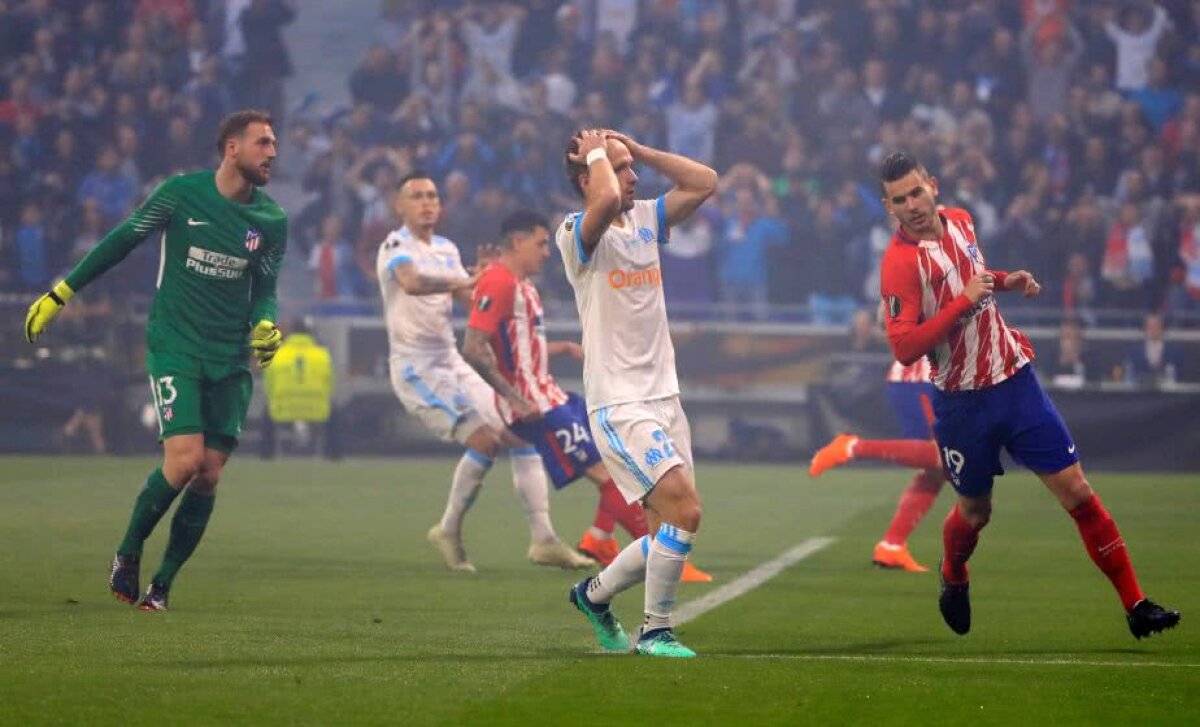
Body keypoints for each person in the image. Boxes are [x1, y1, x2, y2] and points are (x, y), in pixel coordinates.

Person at [877, 151, 1179, 639]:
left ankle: (1136, 604)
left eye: (916, 192)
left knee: (1078, 492)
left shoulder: (962, 221)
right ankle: (954, 574)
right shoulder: (899, 265)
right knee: (976, 514)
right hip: (961, 403)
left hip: (1015, 382)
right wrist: (964, 302)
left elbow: (973, 276)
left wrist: (1004, 281)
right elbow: (905, 346)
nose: (911, 204)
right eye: (899, 199)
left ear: (933, 186)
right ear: (889, 208)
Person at [24, 110, 289, 611]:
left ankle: (161, 587)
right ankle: (127, 551)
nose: (273, 152)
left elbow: (266, 290)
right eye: (263, 143)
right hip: (177, 347)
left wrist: (265, 325)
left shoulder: (272, 221)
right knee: (185, 460)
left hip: (230, 359)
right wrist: (61, 293)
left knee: (209, 472)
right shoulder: (180, 194)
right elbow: (122, 240)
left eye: (274, 143)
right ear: (232, 148)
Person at [461, 209, 712, 582]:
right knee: (612, 476)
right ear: (516, 243)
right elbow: (473, 346)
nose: (547, 252)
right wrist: (513, 398)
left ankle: (600, 539)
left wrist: (560, 348)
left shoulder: (519, 283)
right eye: (540, 243)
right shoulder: (500, 281)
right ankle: (660, 552)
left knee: (616, 466)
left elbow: (518, 344)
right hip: (537, 405)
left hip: (551, 395)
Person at [375, 171, 592, 573]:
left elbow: (468, 298)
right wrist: (471, 277)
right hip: (416, 367)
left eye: (433, 196)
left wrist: (489, 281)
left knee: (519, 427)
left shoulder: (445, 248)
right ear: (399, 206)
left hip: (453, 361)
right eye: (417, 196)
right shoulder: (395, 247)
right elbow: (412, 283)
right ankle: (449, 530)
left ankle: (543, 539)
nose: (427, 203)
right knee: (484, 440)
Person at [559, 129, 717, 658]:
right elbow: (604, 197)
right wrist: (599, 152)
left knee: (663, 530)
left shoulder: (647, 218)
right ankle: (656, 630)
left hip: (663, 396)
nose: (632, 178)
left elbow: (705, 181)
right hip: (618, 402)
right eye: (622, 168)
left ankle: (592, 596)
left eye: (634, 169)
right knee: (686, 511)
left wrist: (639, 150)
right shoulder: (577, 233)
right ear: (587, 177)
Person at [810, 345, 946, 573]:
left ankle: (891, 547)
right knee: (946, 459)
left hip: (926, 379)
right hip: (921, 379)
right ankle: (853, 447)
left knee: (938, 469)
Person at [261, 319, 337, 459]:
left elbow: (268, 385)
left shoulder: (278, 354)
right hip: (316, 411)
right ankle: (333, 454)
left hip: (283, 411)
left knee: (267, 412)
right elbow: (330, 385)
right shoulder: (322, 355)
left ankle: (267, 454)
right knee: (335, 412)